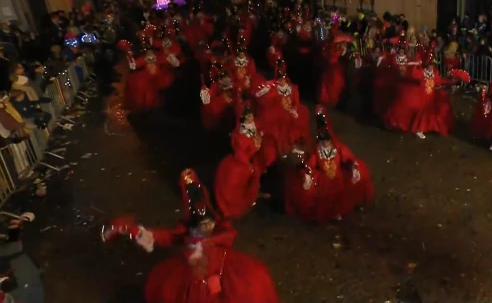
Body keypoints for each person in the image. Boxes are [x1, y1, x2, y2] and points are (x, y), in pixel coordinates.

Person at [102, 169, 280, 303]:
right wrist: (134, 231)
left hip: (218, 269)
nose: (206, 227)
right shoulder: (190, 231)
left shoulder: (218, 231)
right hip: (196, 276)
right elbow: (166, 237)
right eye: (201, 224)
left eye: (208, 223)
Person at [284, 107, 373, 223]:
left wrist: (354, 168)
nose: (325, 143)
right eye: (323, 141)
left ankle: (340, 211)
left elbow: (349, 158)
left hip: (338, 177)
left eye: (327, 141)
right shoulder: (316, 151)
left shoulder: (339, 148)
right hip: (324, 180)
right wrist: (307, 175)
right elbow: (309, 164)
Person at [214, 105, 275, 219]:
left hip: (255, 156)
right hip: (243, 161)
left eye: (251, 115)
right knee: (242, 176)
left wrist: (261, 136)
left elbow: (261, 127)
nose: (250, 118)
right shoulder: (240, 135)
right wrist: (249, 165)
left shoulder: (254, 125)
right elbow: (240, 153)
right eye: (248, 117)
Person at [382, 49, 454, 139]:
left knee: (428, 115)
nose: (431, 68)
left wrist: (451, 81)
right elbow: (412, 74)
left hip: (430, 98)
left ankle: (424, 129)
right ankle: (418, 130)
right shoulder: (421, 73)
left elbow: (439, 81)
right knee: (422, 114)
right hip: (422, 97)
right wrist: (416, 64)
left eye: (432, 66)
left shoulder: (434, 74)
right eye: (429, 66)